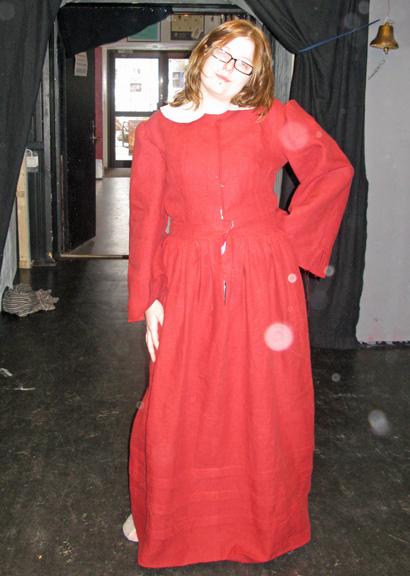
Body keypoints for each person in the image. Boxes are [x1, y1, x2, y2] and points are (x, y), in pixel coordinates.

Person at [124, 18, 354, 568]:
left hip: (263, 277)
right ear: (203, 53)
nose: (232, 69)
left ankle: (261, 515)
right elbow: (146, 217)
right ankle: (162, 511)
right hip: (187, 276)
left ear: (256, 76)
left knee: (262, 397)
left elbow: (332, 170)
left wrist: (287, 240)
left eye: (246, 64)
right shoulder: (158, 130)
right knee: (178, 397)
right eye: (225, 54)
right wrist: (150, 297)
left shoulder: (274, 119)